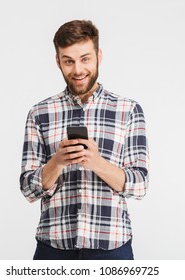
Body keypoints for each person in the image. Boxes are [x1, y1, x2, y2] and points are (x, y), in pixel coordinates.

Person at [20, 20, 149, 260]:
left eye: (85, 59)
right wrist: (57, 162)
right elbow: (28, 188)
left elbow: (140, 185)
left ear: (99, 55)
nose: (78, 70)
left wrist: (96, 163)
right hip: (53, 248)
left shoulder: (128, 110)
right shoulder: (39, 113)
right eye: (69, 61)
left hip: (112, 248)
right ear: (58, 61)